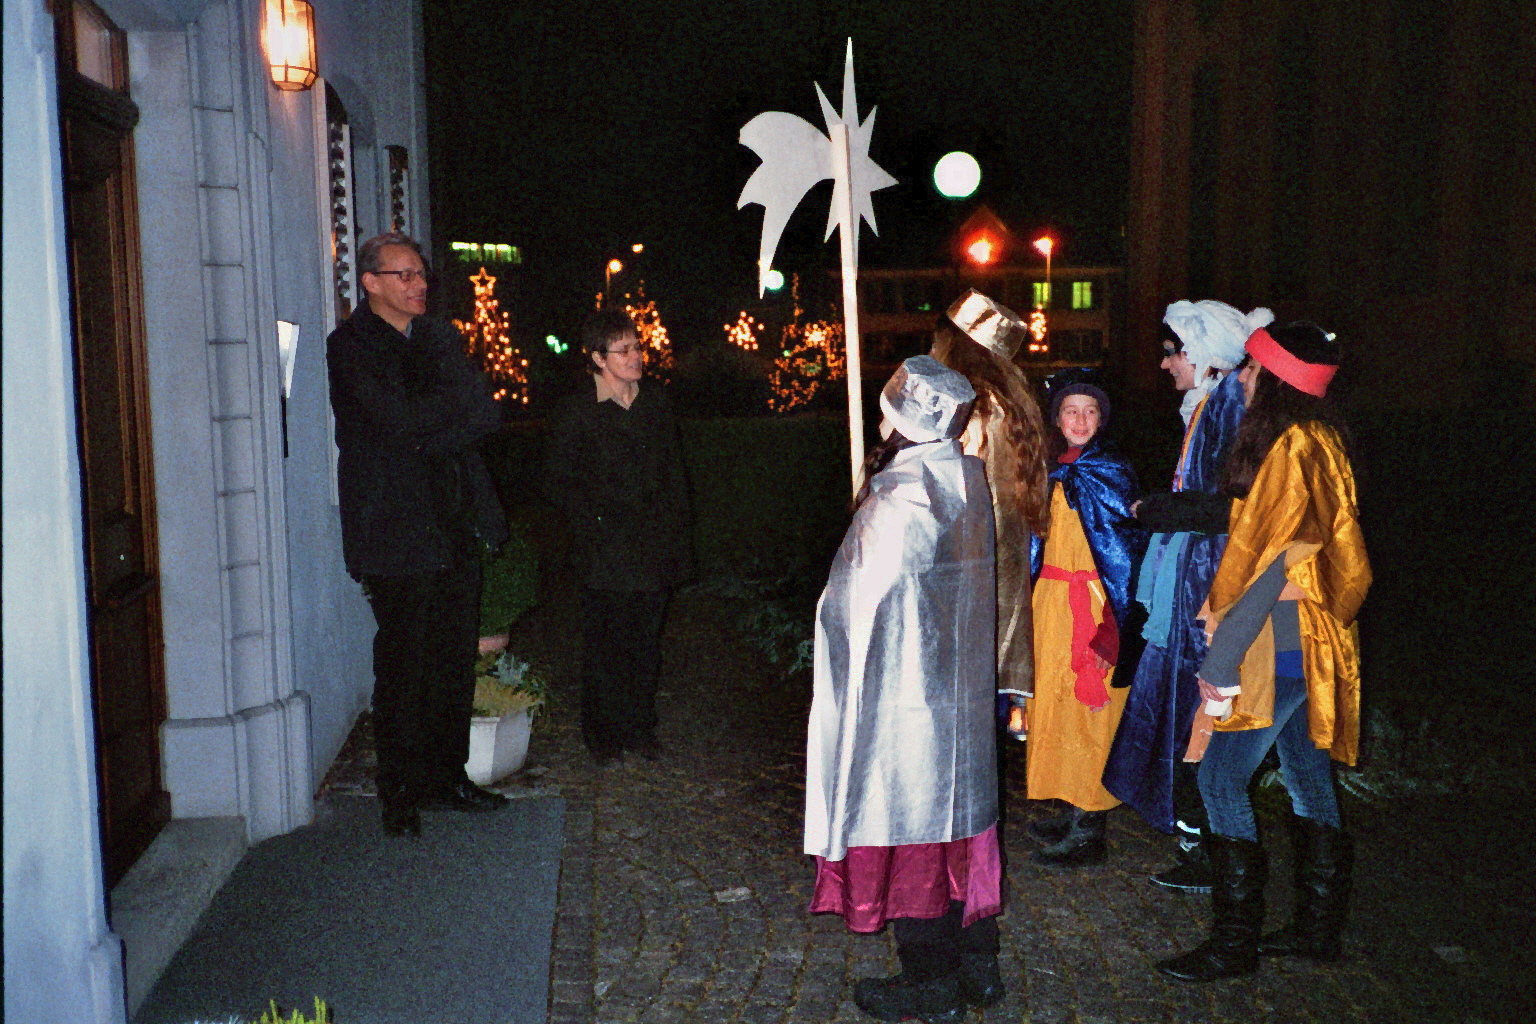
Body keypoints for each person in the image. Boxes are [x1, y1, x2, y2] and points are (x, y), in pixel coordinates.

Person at [1157, 322, 1370, 983]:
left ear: (1276, 379)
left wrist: (1221, 662)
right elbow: (1286, 538)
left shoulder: (1293, 447)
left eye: (1250, 368)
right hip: (1314, 643)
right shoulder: (1322, 439)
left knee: (1220, 780)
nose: (1241, 378)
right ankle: (1315, 931)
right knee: (1306, 774)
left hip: (1277, 642)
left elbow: (1277, 564)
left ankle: (1233, 945)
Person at [804, 356, 1003, 1024]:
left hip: (909, 698)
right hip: (957, 694)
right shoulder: (966, 476)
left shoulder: (902, 497)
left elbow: (854, 604)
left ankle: (931, 982)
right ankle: (977, 964)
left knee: (916, 828)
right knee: (958, 832)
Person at [327, 231, 511, 837]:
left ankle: (447, 777)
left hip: (452, 519)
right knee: (404, 664)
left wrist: (428, 425)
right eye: (403, 275)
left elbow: (485, 412)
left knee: (453, 659)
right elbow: (394, 423)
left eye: (421, 273)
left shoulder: (439, 337)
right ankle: (400, 791)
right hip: (393, 528)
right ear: (370, 283)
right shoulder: (349, 347)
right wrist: (441, 415)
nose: (418, 284)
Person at [1103, 301, 1272, 893]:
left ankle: (1211, 853)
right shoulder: (1206, 404)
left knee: (1197, 710)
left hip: (1208, 585)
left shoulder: (1226, 405)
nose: (1164, 363)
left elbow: (1233, 506)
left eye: (1173, 352)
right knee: (1177, 706)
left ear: (1201, 354)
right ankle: (1197, 842)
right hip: (1190, 578)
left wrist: (1163, 510)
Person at [542, 307, 692, 765]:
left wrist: (676, 539)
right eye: (623, 350)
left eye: (637, 347)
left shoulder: (655, 402)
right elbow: (558, 482)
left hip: (652, 546)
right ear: (597, 358)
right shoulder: (578, 410)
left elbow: (674, 475)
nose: (635, 356)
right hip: (604, 549)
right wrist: (594, 524)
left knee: (645, 642)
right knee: (606, 642)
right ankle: (602, 734)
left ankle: (640, 729)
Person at [1023, 373, 1144, 867]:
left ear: (1101, 419)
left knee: (1091, 715)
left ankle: (1089, 828)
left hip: (1092, 606)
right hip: (1051, 605)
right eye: (1070, 410)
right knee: (1055, 709)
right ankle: (1071, 803)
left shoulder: (1111, 472)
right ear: (1057, 419)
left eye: (1089, 411)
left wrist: (1112, 628)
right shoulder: (1049, 470)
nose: (1080, 419)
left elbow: (1125, 557)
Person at [930, 290, 1049, 724]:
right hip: (999, 557)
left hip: (968, 560)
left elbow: (954, 489)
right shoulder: (1008, 401)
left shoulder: (973, 406)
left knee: (965, 700)